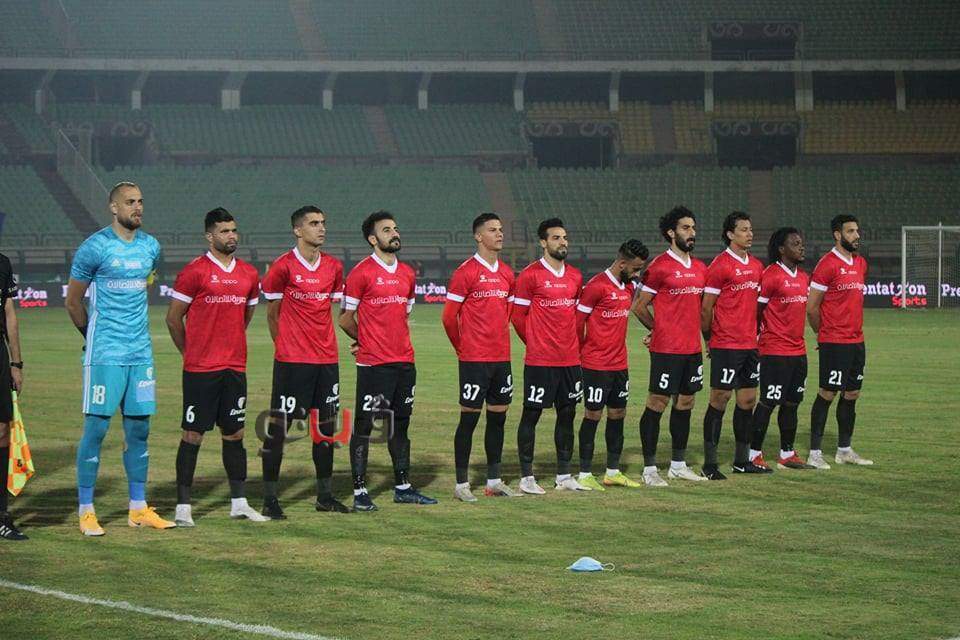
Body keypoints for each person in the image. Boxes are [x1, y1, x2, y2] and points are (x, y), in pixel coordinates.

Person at [65, 181, 175, 536]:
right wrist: (93, 339)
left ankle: (138, 508)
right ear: (113, 207)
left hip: (140, 353)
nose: (137, 207)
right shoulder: (94, 247)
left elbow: (146, 284)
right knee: (96, 428)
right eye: (129, 202)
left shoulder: (150, 246)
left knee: (140, 430)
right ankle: (86, 511)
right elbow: (73, 301)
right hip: (106, 355)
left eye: (140, 201)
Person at [166, 208, 267, 526]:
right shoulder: (194, 271)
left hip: (234, 367)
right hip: (201, 369)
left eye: (234, 230)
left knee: (235, 433)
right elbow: (173, 318)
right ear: (210, 236)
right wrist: (190, 353)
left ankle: (239, 503)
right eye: (224, 231)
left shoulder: (249, 274)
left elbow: (244, 318)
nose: (231, 236)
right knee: (193, 434)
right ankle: (183, 507)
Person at [339, 210, 437, 511]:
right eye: (386, 230)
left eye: (395, 228)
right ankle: (359, 491)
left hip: (405, 362)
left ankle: (403, 487)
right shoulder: (361, 273)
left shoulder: (407, 273)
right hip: (374, 364)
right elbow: (345, 318)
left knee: (400, 425)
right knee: (365, 426)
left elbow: (403, 314)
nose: (394, 233)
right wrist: (366, 340)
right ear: (372, 239)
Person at [259, 206, 350, 518]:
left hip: (327, 361)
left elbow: (331, 310)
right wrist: (285, 348)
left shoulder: (334, 267)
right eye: (313, 223)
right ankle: (270, 499)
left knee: (326, 430)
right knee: (279, 430)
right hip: (293, 362)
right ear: (298, 230)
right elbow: (273, 314)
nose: (321, 228)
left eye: (323, 222)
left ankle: (325, 496)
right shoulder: (282, 267)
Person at [442, 213, 518, 502]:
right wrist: (462, 348)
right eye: (492, 230)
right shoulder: (466, 272)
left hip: (501, 358)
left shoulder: (507, 273)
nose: (499, 234)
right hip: (474, 359)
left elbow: (507, 313)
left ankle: (493, 482)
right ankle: (461, 484)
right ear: (478, 236)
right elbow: (449, 318)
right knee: (469, 420)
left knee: (498, 419)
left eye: (500, 229)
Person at [632, 206, 708, 486]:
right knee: (658, 403)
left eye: (693, 227)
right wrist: (657, 330)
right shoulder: (659, 267)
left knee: (686, 402)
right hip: (666, 350)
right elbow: (639, 306)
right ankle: (649, 469)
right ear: (671, 233)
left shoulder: (700, 268)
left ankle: (678, 465)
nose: (692, 233)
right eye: (686, 228)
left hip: (692, 349)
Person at [511, 217, 585, 494]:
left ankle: (563, 475)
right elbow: (518, 317)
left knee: (568, 414)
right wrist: (535, 344)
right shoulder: (530, 275)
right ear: (543, 242)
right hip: (540, 361)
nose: (563, 242)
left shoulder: (575, 276)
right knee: (532, 414)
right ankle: (527, 477)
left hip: (570, 360)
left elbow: (577, 318)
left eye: (564, 237)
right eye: (556, 238)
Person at [575, 239, 649, 491]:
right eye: (635, 269)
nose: (637, 274)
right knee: (593, 415)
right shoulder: (596, 286)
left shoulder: (628, 286)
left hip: (620, 364)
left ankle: (613, 472)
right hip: (596, 365)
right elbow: (578, 323)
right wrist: (582, 354)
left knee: (618, 415)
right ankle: (584, 473)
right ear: (622, 264)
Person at [700, 212, 764, 478]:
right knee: (720, 399)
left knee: (748, 400)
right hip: (726, 344)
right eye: (744, 230)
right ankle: (710, 464)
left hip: (750, 345)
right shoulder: (720, 265)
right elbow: (706, 308)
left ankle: (742, 460)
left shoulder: (757, 266)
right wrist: (709, 339)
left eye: (751, 229)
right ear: (730, 234)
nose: (750, 234)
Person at [806, 215, 873, 468]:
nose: (857, 235)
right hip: (834, 340)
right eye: (851, 231)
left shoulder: (860, 263)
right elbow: (812, 308)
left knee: (852, 393)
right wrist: (823, 335)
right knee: (828, 392)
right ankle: (814, 453)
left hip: (857, 341)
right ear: (837, 235)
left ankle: (844, 450)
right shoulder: (827, 265)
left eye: (857, 230)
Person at [749, 228, 814, 470]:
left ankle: (787, 454)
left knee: (792, 403)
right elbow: (756, 312)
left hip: (799, 351)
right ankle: (753, 453)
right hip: (774, 351)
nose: (801, 247)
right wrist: (757, 340)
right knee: (769, 401)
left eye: (801, 242)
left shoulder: (803, 277)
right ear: (781, 249)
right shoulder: (771, 275)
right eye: (795, 243)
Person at [0, 251, 26, 540]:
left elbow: (9, 314)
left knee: (3, 432)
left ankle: (1, 514)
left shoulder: (2, 263)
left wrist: (16, 363)